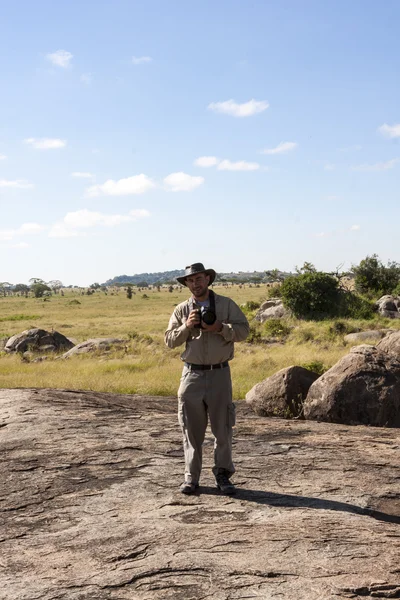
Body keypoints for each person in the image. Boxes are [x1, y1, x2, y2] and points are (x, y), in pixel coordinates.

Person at [165, 263, 249, 495]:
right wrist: (186, 326)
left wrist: (221, 327)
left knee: (223, 429)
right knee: (191, 430)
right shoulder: (182, 309)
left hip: (220, 373)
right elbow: (170, 341)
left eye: (199, 278)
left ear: (208, 279)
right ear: (187, 284)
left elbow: (244, 331)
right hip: (191, 374)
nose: (195, 283)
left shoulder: (226, 304)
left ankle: (223, 475)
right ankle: (191, 478)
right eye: (190, 280)